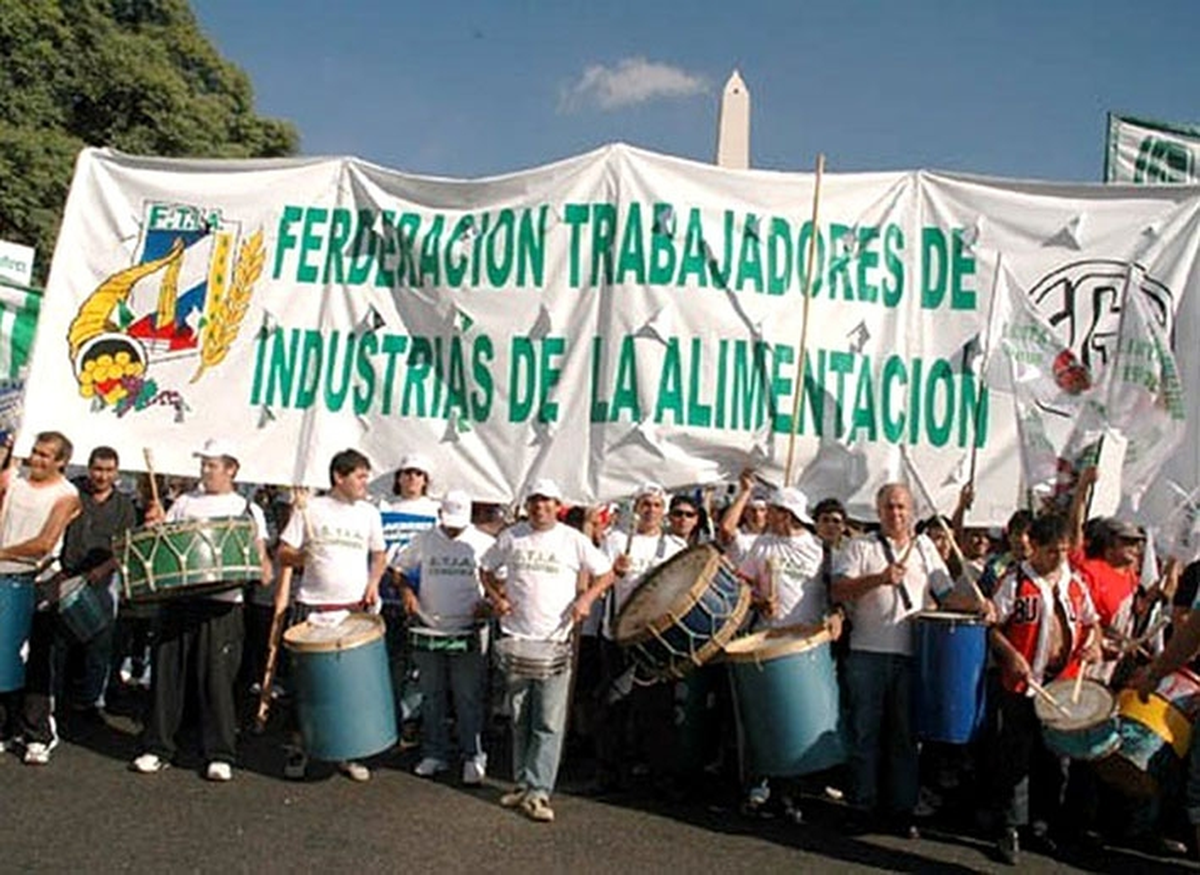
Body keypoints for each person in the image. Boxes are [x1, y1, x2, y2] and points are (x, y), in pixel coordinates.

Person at [831, 482, 985, 838]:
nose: (895, 513)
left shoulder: (926, 548)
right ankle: (860, 805)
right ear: (878, 510)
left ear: (912, 511)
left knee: (905, 738)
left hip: (912, 656)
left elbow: (946, 595)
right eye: (888, 507)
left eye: (901, 507)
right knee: (864, 734)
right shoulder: (861, 546)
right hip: (867, 653)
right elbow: (838, 589)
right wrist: (878, 579)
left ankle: (901, 809)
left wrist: (978, 604)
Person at [130, 438, 271, 782]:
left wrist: (263, 568)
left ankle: (220, 753)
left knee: (217, 682)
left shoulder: (247, 508)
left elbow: (259, 556)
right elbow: (165, 545)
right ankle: (158, 747)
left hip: (223, 606)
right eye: (203, 464)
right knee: (167, 678)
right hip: (179, 602)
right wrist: (155, 528)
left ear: (231, 469)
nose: (205, 470)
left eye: (212, 464)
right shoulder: (183, 502)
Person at [480, 478, 614, 823]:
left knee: (549, 722)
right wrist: (497, 598)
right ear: (528, 506)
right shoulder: (512, 536)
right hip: (517, 637)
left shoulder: (574, 539)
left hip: (556, 640)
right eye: (535, 501)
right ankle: (523, 784)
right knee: (520, 717)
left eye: (547, 502)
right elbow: (485, 569)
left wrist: (585, 599)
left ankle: (540, 792)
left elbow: (606, 573)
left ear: (558, 506)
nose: (540, 507)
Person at [987, 513, 1102, 864]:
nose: (1059, 558)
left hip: (1062, 682)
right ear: (1034, 547)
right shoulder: (1015, 581)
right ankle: (1009, 827)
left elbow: (1092, 623)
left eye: (1065, 551)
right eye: (1053, 551)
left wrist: (1093, 644)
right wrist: (1010, 655)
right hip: (1023, 682)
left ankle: (1042, 825)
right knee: (1016, 754)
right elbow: (992, 627)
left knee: (1055, 758)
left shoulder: (1074, 582)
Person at [275, 449, 387, 782]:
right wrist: (300, 556)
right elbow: (282, 554)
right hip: (312, 608)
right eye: (360, 476)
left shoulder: (369, 513)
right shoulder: (310, 509)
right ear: (339, 477)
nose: (365, 483)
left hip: (352, 611)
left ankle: (348, 751)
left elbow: (379, 554)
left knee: (349, 687)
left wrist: (374, 583)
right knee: (305, 687)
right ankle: (299, 748)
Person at [737, 486, 843, 817]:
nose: (766, 515)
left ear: (788, 515)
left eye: (773, 510)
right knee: (766, 716)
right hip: (767, 639)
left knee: (796, 719)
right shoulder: (760, 545)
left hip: (805, 642)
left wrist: (837, 616)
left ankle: (791, 792)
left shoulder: (819, 549)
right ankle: (759, 788)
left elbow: (834, 593)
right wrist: (757, 600)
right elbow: (742, 586)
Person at [393, 489, 494, 785]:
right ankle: (434, 752)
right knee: (432, 693)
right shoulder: (424, 539)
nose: (453, 528)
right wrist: (407, 592)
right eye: (448, 522)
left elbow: (499, 582)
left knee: (467, 696)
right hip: (429, 626)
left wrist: (488, 604)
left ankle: (473, 754)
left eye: (458, 523)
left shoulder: (484, 544)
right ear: (440, 515)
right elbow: (398, 569)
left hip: (468, 629)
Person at [595, 483, 686, 790]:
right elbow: (598, 582)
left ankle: (659, 775)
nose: (651, 510)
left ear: (664, 511)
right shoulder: (616, 540)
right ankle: (610, 774)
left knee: (657, 709)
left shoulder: (675, 547)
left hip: (657, 639)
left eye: (657, 506)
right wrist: (613, 572)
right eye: (645, 504)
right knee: (614, 704)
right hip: (618, 635)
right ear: (637, 509)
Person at [0, 431, 81, 764]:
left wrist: (3, 552)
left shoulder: (67, 494)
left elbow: (44, 543)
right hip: (5, 577)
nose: (37, 459)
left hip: (39, 580)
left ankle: (38, 734)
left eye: (46, 455)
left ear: (61, 461)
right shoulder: (14, 479)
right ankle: (5, 728)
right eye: (35, 452)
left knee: (34, 657)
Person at [52, 446, 138, 728]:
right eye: (98, 469)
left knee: (100, 642)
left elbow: (127, 545)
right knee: (59, 643)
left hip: (103, 579)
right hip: (67, 575)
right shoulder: (72, 493)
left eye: (108, 471)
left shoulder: (124, 505)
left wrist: (103, 569)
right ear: (89, 468)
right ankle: (53, 699)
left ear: (116, 472)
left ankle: (92, 701)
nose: (102, 476)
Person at [378, 452, 440, 747]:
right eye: (407, 473)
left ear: (426, 480)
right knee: (390, 663)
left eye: (418, 473)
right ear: (398, 478)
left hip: (422, 600)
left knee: (419, 667)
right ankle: (387, 718)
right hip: (385, 598)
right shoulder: (382, 507)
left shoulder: (435, 512)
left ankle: (410, 720)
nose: (412, 478)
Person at [717, 469, 769, 561]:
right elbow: (726, 527)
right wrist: (746, 491)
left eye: (762, 510)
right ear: (745, 513)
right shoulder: (739, 536)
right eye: (753, 510)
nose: (757, 515)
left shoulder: (773, 537)